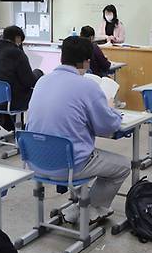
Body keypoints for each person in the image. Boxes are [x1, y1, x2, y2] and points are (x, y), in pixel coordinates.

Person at [26, 36, 129, 224]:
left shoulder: (42, 81)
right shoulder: (87, 86)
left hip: (35, 160)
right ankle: (89, 209)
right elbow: (108, 126)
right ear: (86, 61)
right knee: (123, 166)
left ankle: (79, 206)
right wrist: (110, 107)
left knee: (77, 146)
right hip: (68, 165)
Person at [0, 25, 43, 131]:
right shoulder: (16, 53)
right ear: (18, 38)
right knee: (38, 79)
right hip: (11, 101)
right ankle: (34, 128)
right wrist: (38, 74)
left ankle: (10, 123)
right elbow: (29, 82)